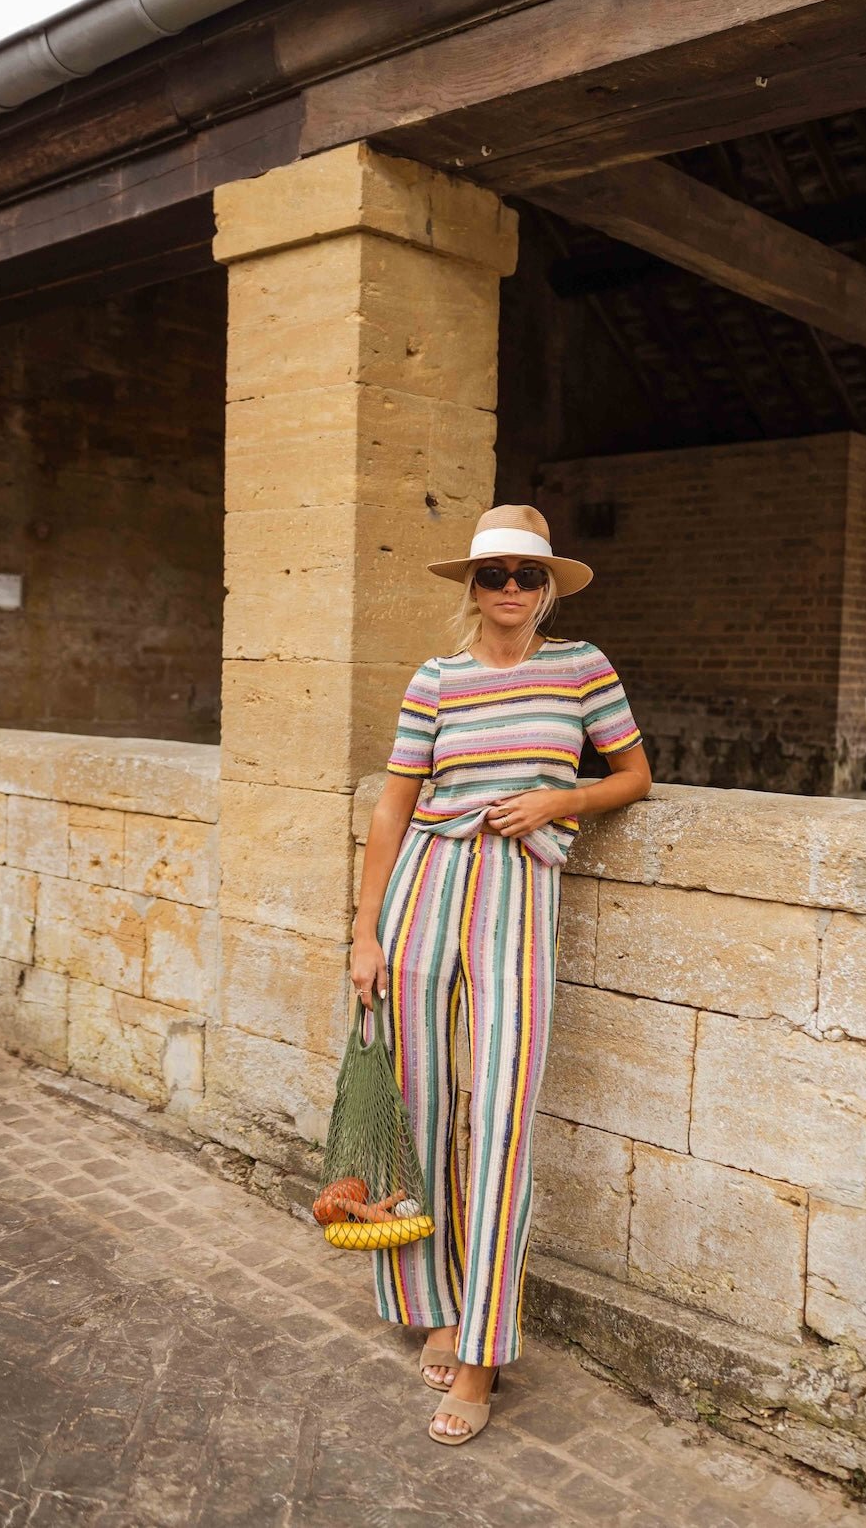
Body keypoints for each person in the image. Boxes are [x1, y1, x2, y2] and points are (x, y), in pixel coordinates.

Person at [349, 504, 652, 1445]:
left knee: (505, 1114)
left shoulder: (582, 666)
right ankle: (434, 1297)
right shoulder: (434, 679)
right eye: (495, 576)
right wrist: (365, 933)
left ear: (548, 585)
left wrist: (563, 798)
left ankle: (480, 1351)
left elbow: (635, 775)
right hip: (423, 891)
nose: (512, 590)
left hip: (519, 892)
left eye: (528, 574)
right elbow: (396, 809)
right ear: (471, 588)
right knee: (423, 1102)